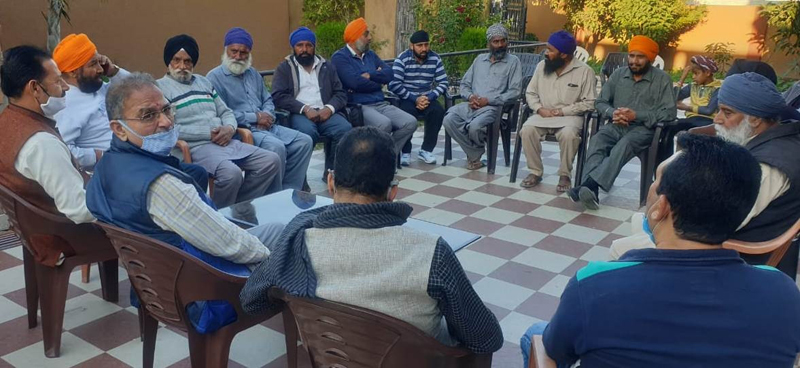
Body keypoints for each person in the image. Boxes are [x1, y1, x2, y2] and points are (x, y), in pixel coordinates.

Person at [523, 133, 800, 368]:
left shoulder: (594, 285)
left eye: (655, 180)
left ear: (662, 206)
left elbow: (557, 352)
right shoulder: (783, 292)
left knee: (534, 335)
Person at [240, 127, 504, 354]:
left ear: (330, 182)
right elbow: (487, 338)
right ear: (393, 192)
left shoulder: (298, 238)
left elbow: (252, 300)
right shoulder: (431, 252)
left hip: (334, 356)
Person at [86, 72, 284, 334]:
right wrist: (276, 263)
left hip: (155, 285)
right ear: (119, 128)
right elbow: (228, 243)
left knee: (274, 233)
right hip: (204, 295)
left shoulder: (106, 166)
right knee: (286, 237)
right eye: (148, 115)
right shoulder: (162, 186)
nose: (166, 122)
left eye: (167, 109)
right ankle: (315, 326)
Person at [611, 72, 800, 277]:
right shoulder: (774, 141)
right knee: (644, 218)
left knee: (620, 248)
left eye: (727, 113)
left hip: (733, 258)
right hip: (723, 242)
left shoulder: (769, 165)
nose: (717, 119)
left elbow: (724, 219)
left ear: (754, 119)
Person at [157, 34, 282, 210]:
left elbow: (225, 111)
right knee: (231, 174)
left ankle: (239, 208)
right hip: (195, 147)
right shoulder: (160, 89)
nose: (182, 66)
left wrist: (230, 128)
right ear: (168, 62)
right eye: (177, 60)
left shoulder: (204, 82)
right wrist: (208, 132)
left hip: (225, 140)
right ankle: (219, 215)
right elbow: (169, 129)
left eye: (188, 61)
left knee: (271, 160)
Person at [0, 45, 94, 267]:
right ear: (35, 88)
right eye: (58, 81)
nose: (66, 88)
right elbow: (78, 209)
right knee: (151, 229)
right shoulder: (41, 143)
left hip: (35, 229)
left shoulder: (7, 121)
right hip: (63, 235)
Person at [568, 35, 676, 210]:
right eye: (631, 56)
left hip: (644, 130)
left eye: (640, 57)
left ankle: (589, 185)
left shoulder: (662, 79)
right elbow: (600, 102)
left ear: (650, 58)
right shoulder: (619, 74)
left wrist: (637, 115)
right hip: (616, 125)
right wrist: (613, 112)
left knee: (624, 145)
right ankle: (590, 190)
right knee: (598, 140)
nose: (634, 61)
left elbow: (669, 113)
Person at [207, 27, 313, 191]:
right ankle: (272, 198)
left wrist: (267, 115)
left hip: (268, 127)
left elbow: (268, 99)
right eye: (233, 51)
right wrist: (255, 117)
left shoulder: (253, 74)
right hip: (242, 131)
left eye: (244, 53)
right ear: (225, 50)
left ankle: (289, 191)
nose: (238, 57)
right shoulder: (214, 78)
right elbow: (221, 113)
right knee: (276, 147)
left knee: (304, 142)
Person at [517, 30, 596, 191]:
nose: (546, 53)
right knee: (527, 130)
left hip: (569, 117)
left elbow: (590, 102)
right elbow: (530, 93)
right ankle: (535, 171)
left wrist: (563, 111)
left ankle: (565, 175)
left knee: (569, 135)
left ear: (564, 55)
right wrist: (539, 109)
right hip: (543, 115)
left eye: (551, 50)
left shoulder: (585, 71)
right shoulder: (541, 66)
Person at [270, 26, 352, 180]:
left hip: (325, 112)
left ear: (314, 47)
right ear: (293, 48)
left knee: (345, 129)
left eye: (308, 45)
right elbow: (278, 96)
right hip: (299, 113)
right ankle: (301, 179)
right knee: (307, 134)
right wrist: (304, 108)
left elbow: (340, 93)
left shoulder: (327, 66)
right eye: (299, 45)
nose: (304, 49)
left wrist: (329, 108)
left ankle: (332, 175)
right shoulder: (285, 68)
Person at [331, 17, 417, 158]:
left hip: (380, 103)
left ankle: (384, 159)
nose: (370, 38)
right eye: (366, 34)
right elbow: (354, 83)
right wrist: (378, 81)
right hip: (358, 106)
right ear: (355, 38)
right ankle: (379, 162)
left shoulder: (370, 55)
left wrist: (370, 75)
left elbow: (390, 73)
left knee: (410, 122)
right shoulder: (340, 58)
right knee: (384, 124)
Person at [442, 23, 522, 170]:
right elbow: (465, 84)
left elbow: (515, 92)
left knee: (475, 127)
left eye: (503, 41)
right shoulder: (479, 60)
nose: (500, 45)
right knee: (448, 120)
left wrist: (489, 100)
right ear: (489, 44)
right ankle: (476, 153)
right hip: (472, 105)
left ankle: (473, 156)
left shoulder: (513, 62)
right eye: (496, 41)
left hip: (494, 108)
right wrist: (471, 97)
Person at [52, 33, 130, 170]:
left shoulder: (97, 87)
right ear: (73, 72)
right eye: (93, 64)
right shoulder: (65, 105)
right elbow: (62, 150)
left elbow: (137, 91)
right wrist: (99, 156)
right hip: (114, 170)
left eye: (99, 61)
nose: (100, 69)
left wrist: (113, 72)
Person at [388, 30, 448, 165]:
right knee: (405, 114)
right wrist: (414, 98)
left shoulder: (435, 58)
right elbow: (393, 84)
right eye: (420, 45)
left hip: (427, 97)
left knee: (437, 111)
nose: (424, 49)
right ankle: (406, 151)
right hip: (407, 98)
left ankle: (426, 150)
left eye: (426, 45)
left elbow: (443, 82)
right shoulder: (402, 59)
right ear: (412, 46)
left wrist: (431, 96)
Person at [659, 55, 722, 161]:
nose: (693, 77)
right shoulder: (693, 86)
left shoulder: (718, 88)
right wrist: (682, 78)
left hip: (708, 122)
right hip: (692, 120)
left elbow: (708, 110)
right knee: (667, 128)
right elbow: (674, 97)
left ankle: (690, 163)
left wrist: (686, 107)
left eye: (696, 73)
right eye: (692, 73)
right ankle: (665, 162)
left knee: (692, 134)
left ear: (707, 73)